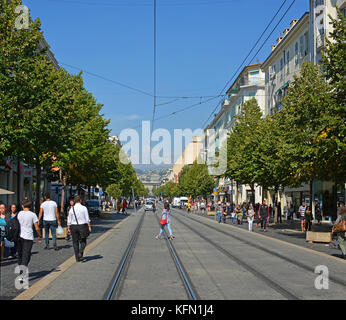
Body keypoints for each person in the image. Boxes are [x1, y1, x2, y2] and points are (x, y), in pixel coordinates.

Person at [17, 200, 42, 282]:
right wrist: (39, 235)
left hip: (20, 236)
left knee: (21, 255)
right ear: (30, 206)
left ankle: (21, 268)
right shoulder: (33, 215)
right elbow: (37, 227)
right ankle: (22, 274)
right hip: (29, 237)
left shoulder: (19, 213)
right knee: (26, 256)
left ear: (23, 206)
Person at [67, 195, 91, 262]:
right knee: (83, 241)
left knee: (75, 242)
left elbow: (69, 220)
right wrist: (89, 226)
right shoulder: (84, 208)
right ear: (80, 200)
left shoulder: (72, 209)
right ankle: (80, 253)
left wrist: (68, 228)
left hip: (73, 226)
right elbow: (87, 219)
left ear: (74, 201)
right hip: (82, 226)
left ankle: (77, 258)